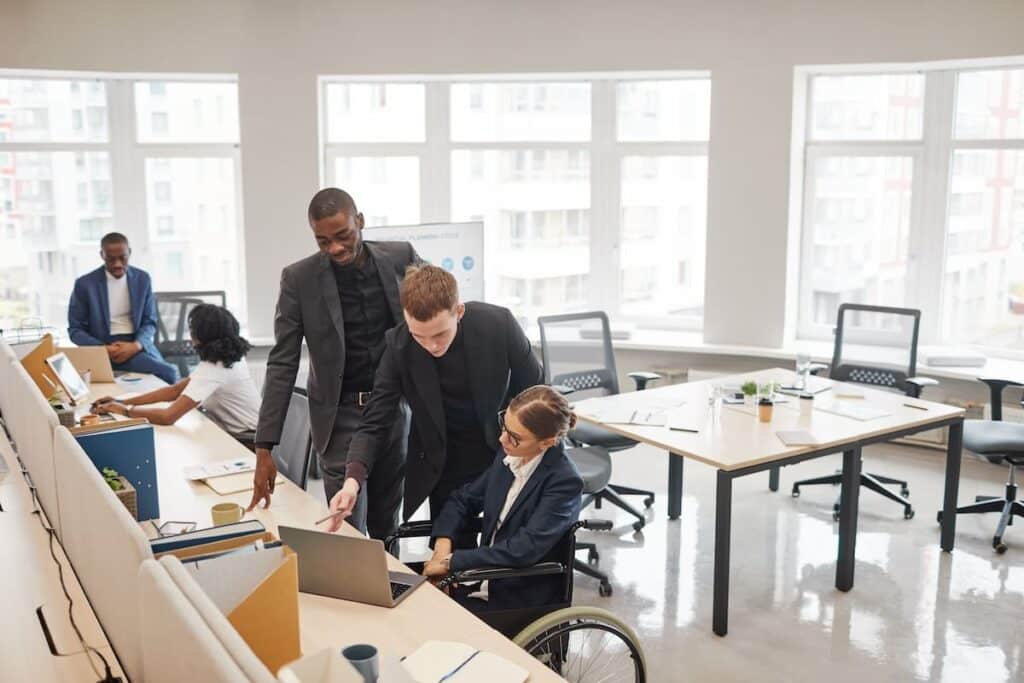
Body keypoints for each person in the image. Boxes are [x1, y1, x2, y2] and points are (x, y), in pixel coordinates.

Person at [324, 264, 544, 543]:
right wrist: (352, 482)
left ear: (459, 312)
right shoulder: (399, 345)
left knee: (508, 551)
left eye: (440, 334)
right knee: (451, 556)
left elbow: (537, 390)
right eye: (420, 336)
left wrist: (521, 442)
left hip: (506, 451)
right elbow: (374, 422)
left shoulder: (497, 324)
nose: (431, 346)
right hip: (444, 464)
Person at [249, 188, 420, 540]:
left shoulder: (400, 257)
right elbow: (282, 361)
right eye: (323, 241)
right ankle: (355, 595)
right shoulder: (299, 279)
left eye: (343, 236)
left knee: (388, 524)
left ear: (360, 221)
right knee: (347, 526)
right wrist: (265, 446)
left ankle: (391, 593)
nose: (336, 248)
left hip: (392, 410)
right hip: (340, 416)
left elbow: (438, 306)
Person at [423, 385, 583, 612]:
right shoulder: (510, 456)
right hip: (480, 577)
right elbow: (463, 499)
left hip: (516, 592)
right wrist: (442, 548)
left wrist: (451, 562)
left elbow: (524, 549)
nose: (502, 439)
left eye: (515, 437)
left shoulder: (564, 482)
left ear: (547, 442)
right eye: (504, 426)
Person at [89, 304, 261, 442]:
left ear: (200, 335)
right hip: (251, 433)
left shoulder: (214, 369)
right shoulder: (228, 358)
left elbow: (167, 416)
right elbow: (176, 391)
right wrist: (121, 401)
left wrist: (123, 410)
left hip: (247, 440)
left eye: (192, 329)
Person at [67, 232, 179, 385]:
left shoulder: (142, 279)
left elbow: (150, 322)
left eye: (122, 257)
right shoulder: (85, 284)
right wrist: (102, 348)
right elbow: (75, 330)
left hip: (135, 344)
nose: (117, 264)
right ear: (102, 255)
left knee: (169, 373)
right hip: (100, 347)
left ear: (130, 253)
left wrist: (136, 345)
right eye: (111, 259)